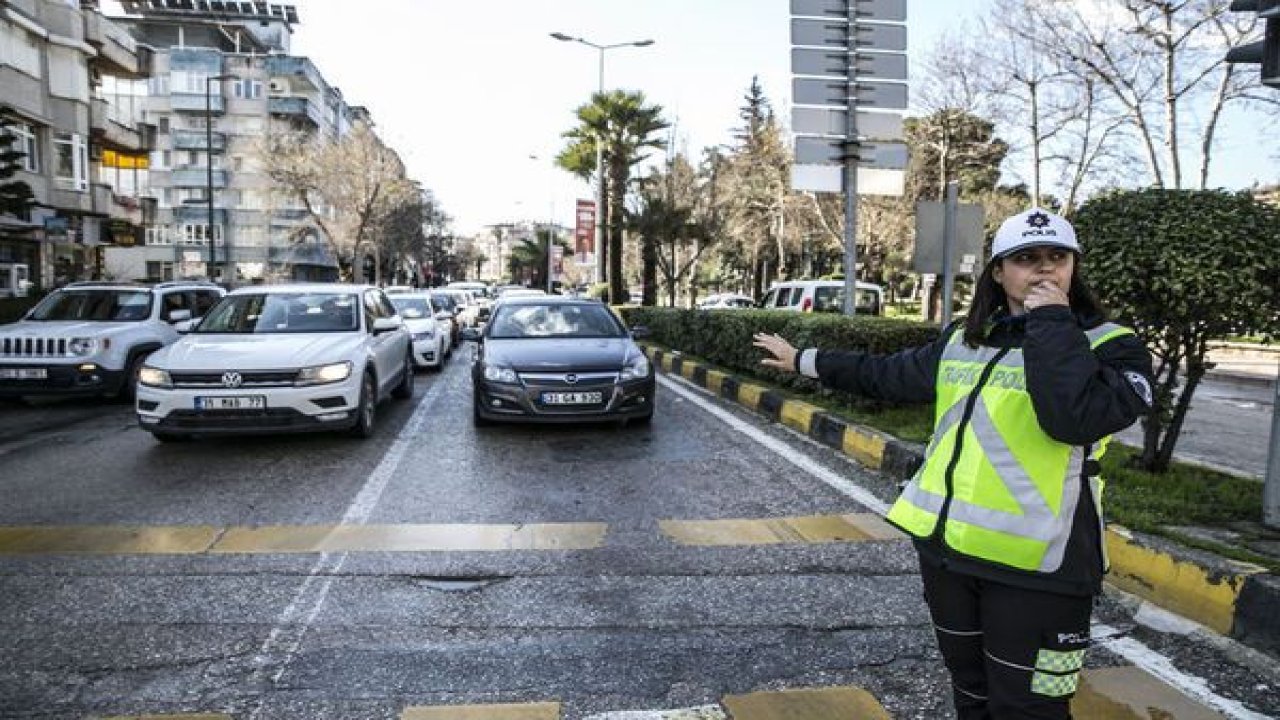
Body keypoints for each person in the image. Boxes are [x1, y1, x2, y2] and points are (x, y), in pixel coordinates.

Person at [753, 208, 1154, 720]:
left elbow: (1071, 420)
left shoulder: (1111, 348)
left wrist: (1051, 321)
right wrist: (803, 360)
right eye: (1027, 258)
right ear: (998, 272)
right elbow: (886, 374)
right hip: (950, 558)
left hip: (1041, 571)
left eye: (1058, 257)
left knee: (1029, 710)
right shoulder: (967, 341)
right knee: (971, 694)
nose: (1045, 270)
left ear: (1075, 267)